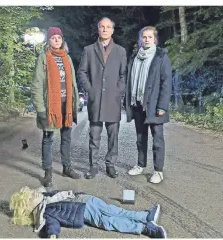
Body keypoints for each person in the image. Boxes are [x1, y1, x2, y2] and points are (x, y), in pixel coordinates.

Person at [9, 186, 167, 238]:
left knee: (113, 214)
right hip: (84, 210)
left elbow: (64, 193)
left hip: (85, 201)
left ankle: (145, 218)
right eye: (31, 197)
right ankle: (145, 226)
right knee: (111, 218)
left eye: (32, 194)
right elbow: (52, 224)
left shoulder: (47, 197)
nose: (35, 195)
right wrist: (53, 234)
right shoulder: (45, 213)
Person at [30, 27, 81, 187]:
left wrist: (75, 103)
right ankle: (48, 173)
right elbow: (37, 84)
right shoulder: (43, 58)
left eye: (59, 37)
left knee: (66, 138)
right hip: (51, 106)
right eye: (54, 38)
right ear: (49, 40)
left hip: (66, 105)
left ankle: (67, 167)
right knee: (48, 139)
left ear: (62, 40)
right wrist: (40, 109)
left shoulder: (67, 58)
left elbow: (72, 83)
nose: (57, 40)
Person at [77, 17, 127, 179]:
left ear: (112, 30)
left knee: (113, 136)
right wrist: (90, 91)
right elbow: (81, 72)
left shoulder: (120, 51)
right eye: (102, 27)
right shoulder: (89, 50)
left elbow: (123, 75)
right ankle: (93, 166)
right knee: (94, 136)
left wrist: (118, 91)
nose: (105, 29)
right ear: (98, 29)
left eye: (108, 27)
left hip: (112, 101)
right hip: (95, 101)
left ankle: (110, 164)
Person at [124, 26, 172, 184]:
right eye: (143, 37)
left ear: (155, 39)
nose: (146, 39)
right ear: (140, 39)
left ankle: (158, 171)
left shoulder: (160, 56)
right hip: (138, 103)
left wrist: (162, 106)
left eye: (149, 37)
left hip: (155, 106)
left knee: (157, 139)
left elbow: (166, 83)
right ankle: (140, 165)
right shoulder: (135, 57)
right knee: (140, 137)